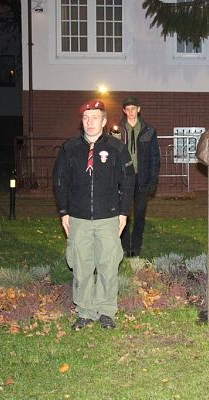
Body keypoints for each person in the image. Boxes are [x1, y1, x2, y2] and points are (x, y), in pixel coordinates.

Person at [53, 99, 135, 330]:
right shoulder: (70, 148)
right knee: (81, 265)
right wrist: (63, 211)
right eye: (86, 118)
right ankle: (85, 311)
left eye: (95, 117)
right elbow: (60, 181)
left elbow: (128, 181)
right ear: (82, 121)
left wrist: (123, 212)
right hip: (78, 218)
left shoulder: (117, 148)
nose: (90, 122)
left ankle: (107, 310)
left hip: (108, 217)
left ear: (104, 121)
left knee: (108, 265)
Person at [119, 97, 160, 257]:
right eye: (127, 109)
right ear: (124, 111)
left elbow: (155, 158)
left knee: (140, 214)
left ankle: (136, 245)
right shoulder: (117, 130)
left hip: (142, 179)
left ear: (138, 109)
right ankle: (125, 245)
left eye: (133, 108)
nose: (130, 112)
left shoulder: (149, 130)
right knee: (123, 214)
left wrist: (153, 181)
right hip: (123, 180)